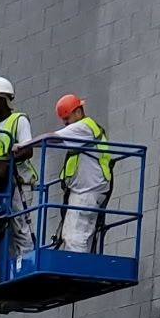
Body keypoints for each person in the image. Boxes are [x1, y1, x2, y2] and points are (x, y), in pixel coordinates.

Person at [0, 75, 35, 263]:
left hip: (20, 182)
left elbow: (27, 150)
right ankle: (13, 263)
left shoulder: (19, 120)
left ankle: (25, 261)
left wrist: (6, 161)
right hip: (5, 184)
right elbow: (0, 153)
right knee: (6, 225)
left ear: (1, 99)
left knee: (20, 225)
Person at [50, 93, 112, 251]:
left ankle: (76, 273)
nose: (66, 124)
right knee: (77, 236)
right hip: (84, 192)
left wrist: (24, 146)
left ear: (78, 112)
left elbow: (51, 138)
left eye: (67, 118)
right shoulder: (82, 131)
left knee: (75, 238)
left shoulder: (83, 127)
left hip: (87, 191)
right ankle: (80, 270)